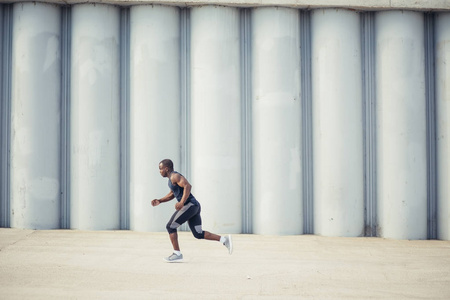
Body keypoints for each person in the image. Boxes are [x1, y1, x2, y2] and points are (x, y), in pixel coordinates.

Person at [151, 159, 233, 262]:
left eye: (160, 169)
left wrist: (181, 202)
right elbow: (172, 194)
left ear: (166, 169)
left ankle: (177, 254)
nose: (159, 171)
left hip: (190, 205)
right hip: (195, 206)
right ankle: (224, 240)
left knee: (170, 226)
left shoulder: (174, 176)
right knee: (198, 233)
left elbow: (187, 186)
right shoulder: (171, 181)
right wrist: (160, 201)